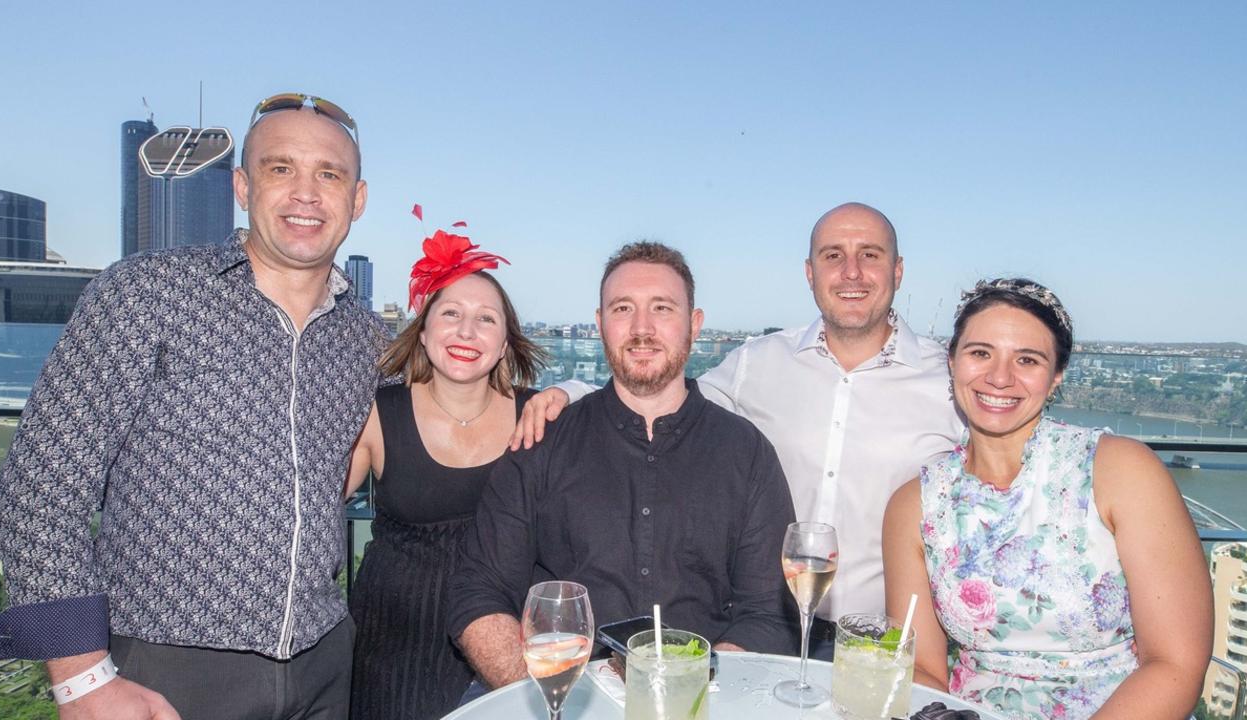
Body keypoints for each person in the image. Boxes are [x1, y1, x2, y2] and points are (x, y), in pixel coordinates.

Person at [0, 93, 380, 720]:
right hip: (164, 672)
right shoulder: (148, 292)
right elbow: (43, 482)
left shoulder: (364, 337)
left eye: (328, 174)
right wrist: (80, 678)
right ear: (243, 187)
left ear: (356, 200)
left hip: (324, 666)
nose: (306, 192)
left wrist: (554, 401)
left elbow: (450, 405)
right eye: (281, 168)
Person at [513, 203, 962, 644]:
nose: (851, 271)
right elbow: (662, 395)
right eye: (832, 256)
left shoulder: (950, 379)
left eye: (870, 254)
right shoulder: (759, 361)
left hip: (888, 643)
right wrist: (570, 394)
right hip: (777, 632)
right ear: (810, 273)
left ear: (898, 270)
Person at [447, 241, 797, 690]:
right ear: (600, 324)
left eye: (662, 308)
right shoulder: (541, 441)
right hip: (563, 693)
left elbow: (768, 614)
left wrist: (688, 692)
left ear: (694, 324)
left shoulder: (747, 453)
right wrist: (547, 702)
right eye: (623, 308)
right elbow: (479, 593)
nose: (642, 328)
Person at [883, 278, 1212, 719]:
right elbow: (921, 668)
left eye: (1027, 360)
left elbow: (1176, 663)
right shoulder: (913, 506)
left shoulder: (1121, 472)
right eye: (980, 353)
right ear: (952, 361)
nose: (999, 377)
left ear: (1055, 377)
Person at [345, 229, 547, 719]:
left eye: (485, 319)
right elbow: (302, 513)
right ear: (425, 328)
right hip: (392, 649)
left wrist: (565, 395)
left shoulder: (536, 416)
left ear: (503, 345)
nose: (466, 331)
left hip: (502, 645)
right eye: (451, 313)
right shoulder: (377, 413)